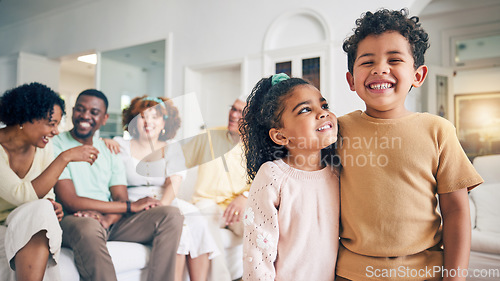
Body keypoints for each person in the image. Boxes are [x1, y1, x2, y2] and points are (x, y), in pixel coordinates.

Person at [337, 9, 484, 281]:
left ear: (418, 75)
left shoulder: (438, 130)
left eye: (394, 59)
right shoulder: (336, 131)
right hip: (349, 273)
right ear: (351, 80)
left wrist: (455, 277)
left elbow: (456, 211)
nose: (380, 68)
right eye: (367, 61)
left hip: (424, 273)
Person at [52, 89, 184, 281]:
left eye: (94, 112)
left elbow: (120, 197)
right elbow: (70, 201)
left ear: (104, 118)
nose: (86, 116)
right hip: (74, 218)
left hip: (110, 220)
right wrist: (129, 206)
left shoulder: (108, 150)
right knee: (89, 226)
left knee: (171, 215)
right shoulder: (56, 145)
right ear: (73, 111)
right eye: (80, 109)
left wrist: (107, 219)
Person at [104, 95, 219, 281]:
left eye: (155, 117)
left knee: (195, 220)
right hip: (133, 202)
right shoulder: (120, 145)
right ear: (133, 121)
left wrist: (161, 205)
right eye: (142, 116)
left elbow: (173, 183)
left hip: (165, 200)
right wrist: (103, 141)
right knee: (179, 222)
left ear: (165, 122)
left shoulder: (173, 148)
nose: (148, 121)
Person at [239, 73, 340, 280]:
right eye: (305, 110)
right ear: (280, 136)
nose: (323, 114)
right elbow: (257, 254)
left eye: (324, 105)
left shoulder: (338, 172)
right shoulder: (272, 175)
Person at [0, 82, 99, 281]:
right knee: (38, 215)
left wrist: (53, 206)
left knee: (43, 212)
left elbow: (46, 195)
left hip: (24, 219)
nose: (55, 131)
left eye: (57, 125)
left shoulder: (44, 147)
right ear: (25, 117)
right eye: (50, 123)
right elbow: (21, 195)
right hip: (4, 222)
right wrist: (64, 158)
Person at [181, 97, 249, 281]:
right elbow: (176, 156)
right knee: (204, 221)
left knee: (260, 228)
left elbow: (264, 178)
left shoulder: (258, 147)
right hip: (207, 204)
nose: (233, 115)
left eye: (240, 112)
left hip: (238, 206)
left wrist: (245, 196)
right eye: (232, 109)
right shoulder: (209, 136)